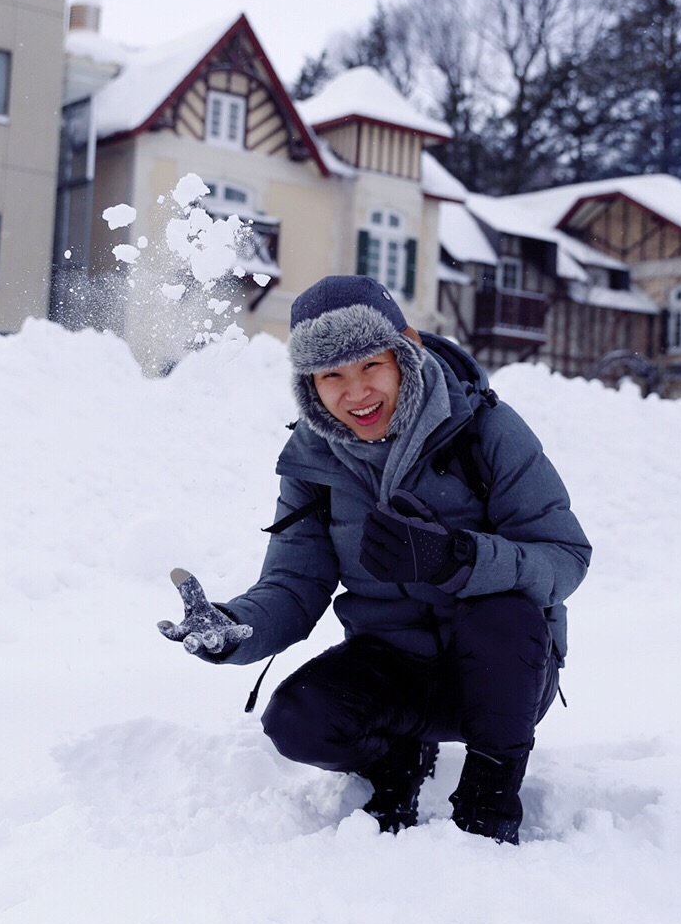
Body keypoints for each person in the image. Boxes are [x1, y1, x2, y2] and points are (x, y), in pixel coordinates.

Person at [158, 274, 591, 843]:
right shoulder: (314, 461)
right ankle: (397, 766)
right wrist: (240, 629)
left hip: (504, 677)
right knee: (295, 720)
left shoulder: (484, 429)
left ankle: (489, 798)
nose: (355, 393)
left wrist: (459, 560)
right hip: (394, 666)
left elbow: (564, 556)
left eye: (370, 366)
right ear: (310, 383)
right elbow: (294, 582)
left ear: (403, 354)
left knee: (503, 616)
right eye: (332, 375)